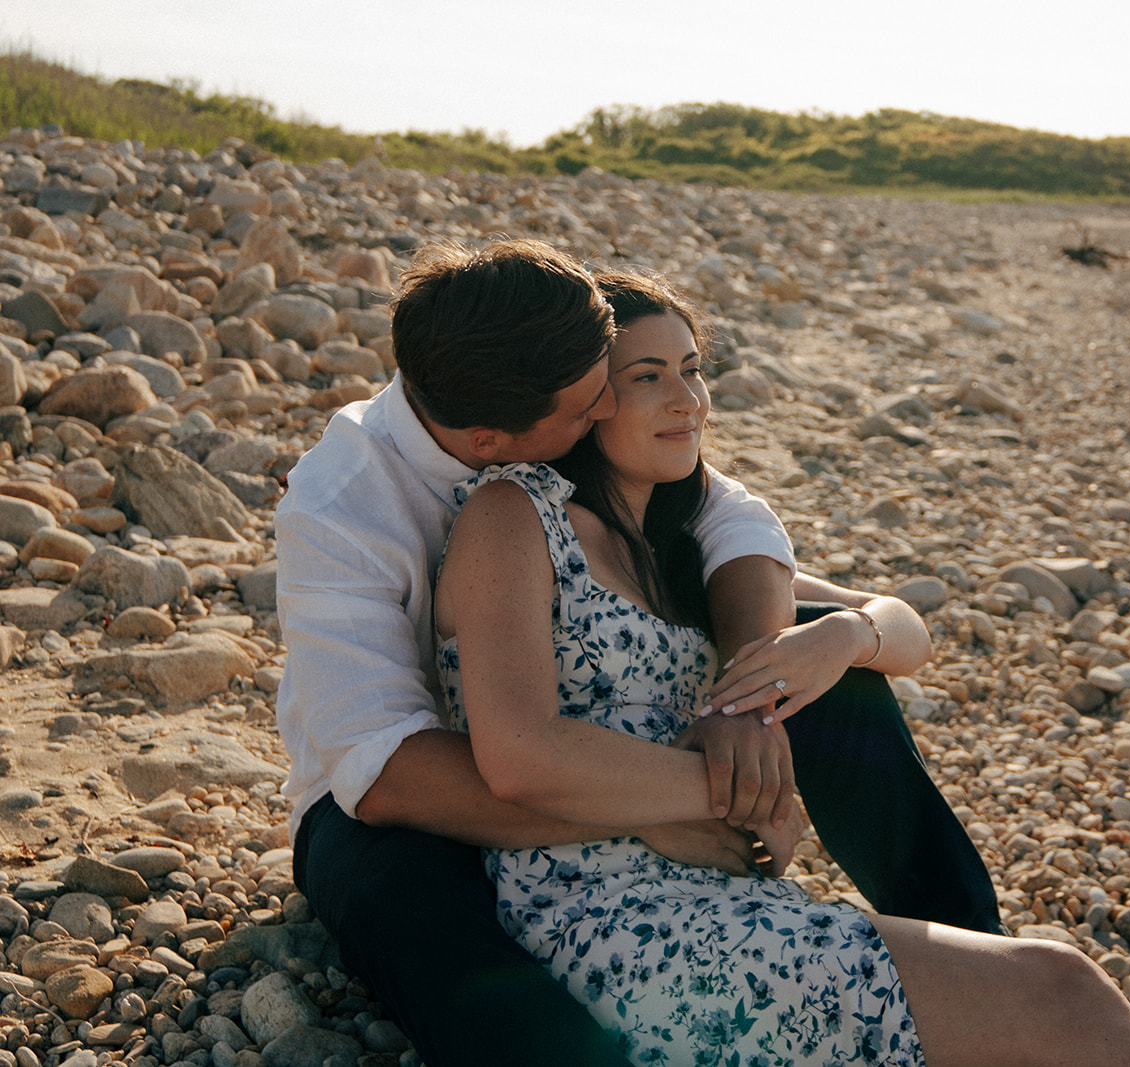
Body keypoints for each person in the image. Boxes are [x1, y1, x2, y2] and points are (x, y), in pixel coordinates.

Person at [431, 268, 1130, 1067]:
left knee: (1049, 995)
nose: (687, 400)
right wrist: (745, 793)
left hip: (716, 894)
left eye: (694, 369)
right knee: (1057, 987)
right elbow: (520, 753)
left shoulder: (679, 549)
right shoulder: (516, 514)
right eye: (646, 377)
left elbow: (906, 629)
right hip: (606, 918)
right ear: (591, 398)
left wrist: (840, 637)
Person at [274, 238, 1001, 1067]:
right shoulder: (344, 506)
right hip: (408, 793)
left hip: (579, 751)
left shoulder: (573, 428)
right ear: (494, 443)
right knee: (440, 935)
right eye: (595, 402)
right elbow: (384, 770)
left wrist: (774, 681)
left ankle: (977, 962)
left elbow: (743, 540)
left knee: (835, 687)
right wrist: (695, 801)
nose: (611, 411)